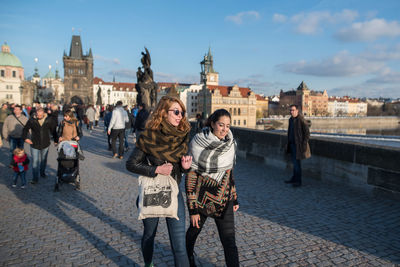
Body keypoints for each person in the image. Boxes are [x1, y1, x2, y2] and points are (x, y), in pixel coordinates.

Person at [126, 96, 192, 267]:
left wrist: (185, 167)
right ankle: (148, 264)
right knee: (149, 235)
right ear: (163, 113)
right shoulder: (149, 136)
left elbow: (180, 169)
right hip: (153, 192)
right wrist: (156, 170)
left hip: (174, 192)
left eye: (182, 113)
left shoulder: (183, 136)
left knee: (179, 246)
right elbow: (131, 164)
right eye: (176, 112)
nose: (180, 116)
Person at [185, 109, 239, 267]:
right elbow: (191, 176)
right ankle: (187, 257)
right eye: (221, 125)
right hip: (202, 200)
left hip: (224, 199)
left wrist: (234, 197)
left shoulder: (230, 144)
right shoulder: (198, 142)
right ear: (213, 123)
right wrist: (193, 209)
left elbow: (229, 173)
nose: (225, 129)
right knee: (193, 233)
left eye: (228, 126)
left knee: (229, 242)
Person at [22, 107, 58, 184]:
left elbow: (53, 130)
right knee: (35, 161)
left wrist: (56, 140)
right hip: (34, 143)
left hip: (45, 143)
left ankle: (42, 172)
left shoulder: (48, 120)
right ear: (36, 113)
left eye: (40, 114)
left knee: (43, 160)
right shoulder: (32, 120)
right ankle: (35, 178)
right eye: (37, 114)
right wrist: (25, 138)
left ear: (43, 113)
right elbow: (25, 129)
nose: (39, 115)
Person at [284, 104, 311, 187]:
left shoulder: (301, 119)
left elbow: (307, 133)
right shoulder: (290, 120)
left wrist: (303, 144)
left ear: (297, 111)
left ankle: (298, 181)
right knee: (294, 163)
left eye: (293, 110)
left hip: (298, 145)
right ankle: (294, 178)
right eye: (290, 110)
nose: (291, 112)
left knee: (297, 164)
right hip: (291, 144)